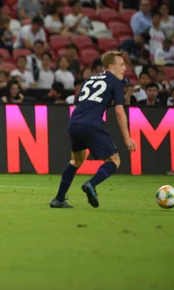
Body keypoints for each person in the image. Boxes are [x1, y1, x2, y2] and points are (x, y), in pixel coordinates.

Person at [50, 51, 137, 209]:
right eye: (122, 65)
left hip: (74, 122)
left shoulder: (89, 79)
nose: (125, 68)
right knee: (114, 161)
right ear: (111, 66)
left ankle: (58, 199)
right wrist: (127, 138)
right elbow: (119, 111)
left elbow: (76, 105)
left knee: (77, 160)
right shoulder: (116, 82)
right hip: (91, 124)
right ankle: (91, 184)